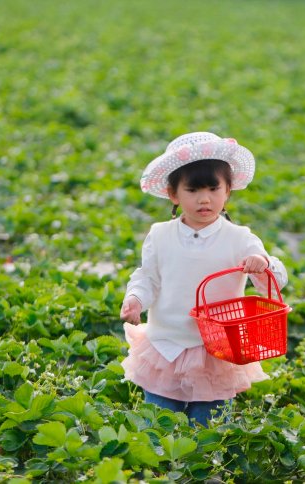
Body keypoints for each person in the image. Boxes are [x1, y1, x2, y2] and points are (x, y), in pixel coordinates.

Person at [119, 132, 288, 426]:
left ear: (228, 191)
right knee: (158, 423)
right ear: (174, 194)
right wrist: (135, 299)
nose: (204, 199)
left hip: (218, 350)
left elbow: (275, 281)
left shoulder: (240, 238)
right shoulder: (160, 235)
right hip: (165, 346)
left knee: (208, 428)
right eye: (193, 190)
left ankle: (206, 469)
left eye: (213, 188)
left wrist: (262, 264)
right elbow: (148, 277)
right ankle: (159, 469)